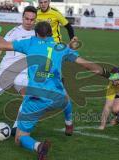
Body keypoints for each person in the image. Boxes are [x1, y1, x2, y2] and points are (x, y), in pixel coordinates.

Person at [0, 21, 112, 160]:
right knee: (65, 96)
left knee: (20, 138)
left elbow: (2, 45)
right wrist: (109, 74)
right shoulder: (61, 47)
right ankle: (69, 123)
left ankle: (39, 146)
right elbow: (88, 65)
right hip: (58, 98)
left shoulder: (30, 42)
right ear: (52, 34)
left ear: (36, 34)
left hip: (36, 99)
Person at [36, 0, 78, 136]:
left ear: (48, 2)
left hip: (55, 52)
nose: (42, 4)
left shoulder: (55, 13)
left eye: (44, 2)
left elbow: (68, 26)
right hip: (40, 51)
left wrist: (73, 38)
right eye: (40, 2)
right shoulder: (35, 13)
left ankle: (69, 121)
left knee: (59, 88)